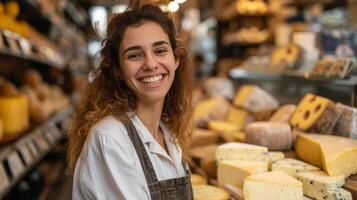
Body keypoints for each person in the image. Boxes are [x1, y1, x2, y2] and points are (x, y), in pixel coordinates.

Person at [67, 3, 194, 200]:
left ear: (176, 59)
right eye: (135, 55)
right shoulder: (111, 139)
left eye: (160, 51)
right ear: (118, 69)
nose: (151, 64)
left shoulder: (167, 134)